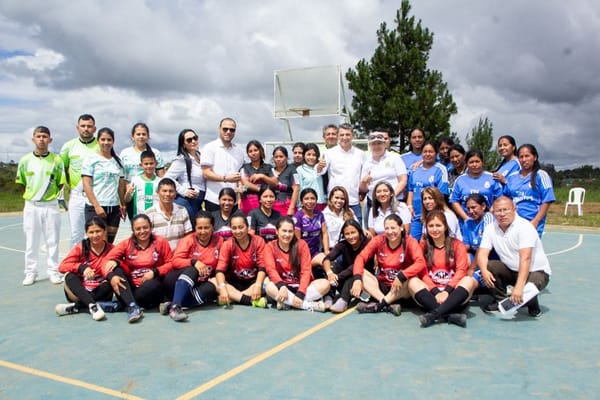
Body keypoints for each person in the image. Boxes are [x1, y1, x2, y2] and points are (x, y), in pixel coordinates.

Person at [476, 196, 551, 317]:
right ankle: (501, 300)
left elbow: (525, 258)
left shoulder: (525, 227)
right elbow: (483, 253)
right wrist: (484, 271)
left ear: (514, 209)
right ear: (493, 212)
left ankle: (532, 305)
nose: (502, 214)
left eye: (506, 210)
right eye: (498, 211)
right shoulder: (490, 228)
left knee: (528, 288)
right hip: (512, 270)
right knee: (489, 266)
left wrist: (519, 287)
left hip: (536, 272)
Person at [408, 210, 477, 328]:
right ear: (426, 228)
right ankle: (450, 316)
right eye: (431, 226)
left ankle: (434, 315)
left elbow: (461, 270)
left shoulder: (457, 245)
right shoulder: (423, 246)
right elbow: (422, 272)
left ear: (445, 227)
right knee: (413, 282)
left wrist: (447, 291)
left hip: (453, 296)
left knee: (469, 280)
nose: (435, 229)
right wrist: (436, 292)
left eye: (438, 225)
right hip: (431, 297)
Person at [16, 125, 66, 285]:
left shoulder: (57, 160)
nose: (42, 139)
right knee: (31, 241)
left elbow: (60, 183)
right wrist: (34, 197)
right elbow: (22, 183)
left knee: (53, 240)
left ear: (50, 140)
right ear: (33, 139)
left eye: (45, 136)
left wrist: (47, 197)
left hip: (50, 205)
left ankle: (53, 271)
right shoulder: (25, 160)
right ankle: (31, 272)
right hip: (31, 206)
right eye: (38, 136)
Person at [103, 214, 174, 322]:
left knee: (152, 284)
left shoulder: (160, 242)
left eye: (145, 227)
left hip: (152, 287)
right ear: (133, 230)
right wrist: (111, 276)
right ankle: (132, 305)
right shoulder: (126, 244)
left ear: (150, 227)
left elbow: (171, 263)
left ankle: (125, 304)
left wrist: (155, 272)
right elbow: (105, 262)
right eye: (138, 229)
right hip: (130, 288)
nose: (142, 231)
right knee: (116, 269)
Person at [351, 214, 426, 315]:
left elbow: (420, 262)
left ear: (401, 227)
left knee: (412, 280)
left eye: (393, 228)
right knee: (361, 273)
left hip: (401, 288)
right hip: (383, 286)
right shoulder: (378, 240)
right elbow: (361, 257)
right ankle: (387, 304)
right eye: (387, 228)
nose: (390, 232)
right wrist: (357, 279)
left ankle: (378, 306)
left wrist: (402, 276)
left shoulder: (410, 242)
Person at [161, 211, 223, 321]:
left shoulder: (219, 241)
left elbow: (222, 262)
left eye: (206, 227)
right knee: (193, 270)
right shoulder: (188, 240)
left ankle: (172, 304)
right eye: (199, 228)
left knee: (211, 288)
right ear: (195, 228)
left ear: (212, 227)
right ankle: (175, 308)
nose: (203, 231)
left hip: (198, 283)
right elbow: (175, 261)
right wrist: (194, 262)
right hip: (176, 281)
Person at [263, 217, 330, 312]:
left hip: (302, 286)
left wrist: (301, 293)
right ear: (277, 231)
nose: (287, 234)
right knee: (268, 285)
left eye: (290, 231)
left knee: (325, 284)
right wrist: (281, 286)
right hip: (283, 288)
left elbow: (306, 271)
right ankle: (308, 305)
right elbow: (271, 269)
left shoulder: (301, 245)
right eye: (284, 231)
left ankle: (287, 303)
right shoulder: (270, 247)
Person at [55, 217, 114, 321]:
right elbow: (62, 266)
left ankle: (77, 307)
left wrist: (115, 262)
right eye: (91, 232)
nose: (95, 235)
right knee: (69, 276)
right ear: (86, 233)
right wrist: (82, 267)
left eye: (98, 231)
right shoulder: (81, 247)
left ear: (104, 231)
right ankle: (92, 304)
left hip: (100, 291)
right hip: (79, 291)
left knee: (112, 281)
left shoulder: (112, 249)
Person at [60, 114, 100, 247]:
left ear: (94, 129)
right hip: (77, 196)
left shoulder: (101, 145)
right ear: (77, 128)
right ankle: (75, 266)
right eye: (83, 126)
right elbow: (63, 168)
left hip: (97, 196)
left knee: (96, 233)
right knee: (76, 233)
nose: (86, 129)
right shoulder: (68, 146)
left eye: (89, 126)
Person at [81, 127, 126, 244]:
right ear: (98, 141)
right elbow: (86, 184)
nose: (106, 143)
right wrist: (96, 206)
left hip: (114, 207)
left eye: (109, 140)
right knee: (98, 241)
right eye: (103, 139)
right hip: (96, 207)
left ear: (113, 141)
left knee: (109, 243)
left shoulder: (118, 161)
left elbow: (121, 185)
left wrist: (122, 204)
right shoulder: (91, 159)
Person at [214, 214, 268, 308]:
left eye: (241, 227)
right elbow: (220, 270)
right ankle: (249, 300)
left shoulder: (258, 241)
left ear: (247, 227)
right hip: (234, 283)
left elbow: (262, 267)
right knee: (214, 281)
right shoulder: (227, 244)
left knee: (268, 281)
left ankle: (233, 298)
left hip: (253, 283)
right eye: (234, 228)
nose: (238, 231)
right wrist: (222, 289)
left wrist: (258, 286)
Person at [503, 144, 555, 237]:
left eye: (527, 156)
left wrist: (536, 221)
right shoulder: (512, 177)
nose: (524, 159)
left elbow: (547, 200)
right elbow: (506, 198)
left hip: (532, 223)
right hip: (514, 224)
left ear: (534, 157)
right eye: (521, 157)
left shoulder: (541, 175)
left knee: (528, 250)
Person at [324, 219, 372, 313]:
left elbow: (356, 266)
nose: (350, 236)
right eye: (347, 234)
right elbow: (327, 259)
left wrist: (338, 277)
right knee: (333, 266)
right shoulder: (343, 244)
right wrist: (330, 273)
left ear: (359, 231)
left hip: (363, 279)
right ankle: (329, 295)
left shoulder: (367, 244)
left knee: (353, 275)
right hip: (344, 278)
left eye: (353, 232)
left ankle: (344, 300)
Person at [120, 122, 165, 220]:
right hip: (131, 194)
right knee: (136, 224)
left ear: (148, 137)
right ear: (133, 137)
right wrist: (123, 200)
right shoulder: (125, 153)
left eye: (144, 134)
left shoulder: (155, 153)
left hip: (151, 193)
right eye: (138, 134)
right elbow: (121, 177)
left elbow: (161, 176)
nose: (141, 137)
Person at [321, 123, 365, 222]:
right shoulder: (329, 153)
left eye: (347, 135)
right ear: (337, 136)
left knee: (356, 233)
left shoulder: (361, 154)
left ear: (353, 135)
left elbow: (364, 177)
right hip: (334, 202)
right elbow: (320, 171)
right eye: (342, 135)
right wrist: (319, 167)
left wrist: (363, 192)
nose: (344, 137)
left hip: (353, 201)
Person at [406, 141, 449, 240]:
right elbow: (410, 190)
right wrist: (409, 206)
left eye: (431, 151)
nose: (427, 154)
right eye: (425, 151)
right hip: (416, 215)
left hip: (432, 215)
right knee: (412, 243)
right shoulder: (415, 170)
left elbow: (442, 194)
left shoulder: (440, 169)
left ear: (436, 153)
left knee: (430, 243)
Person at [201, 118, 245, 212]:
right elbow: (206, 173)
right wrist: (225, 178)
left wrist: (241, 185)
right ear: (219, 129)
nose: (228, 132)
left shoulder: (239, 150)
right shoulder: (209, 148)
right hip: (214, 200)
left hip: (233, 201)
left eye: (232, 130)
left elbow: (240, 174)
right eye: (225, 129)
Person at [165, 129, 205, 226]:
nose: (193, 141)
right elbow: (167, 178)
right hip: (187, 202)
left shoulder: (202, 156)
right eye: (189, 140)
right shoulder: (181, 160)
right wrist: (184, 191)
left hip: (199, 201)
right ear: (183, 144)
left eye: (195, 138)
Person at [450, 150, 503, 224]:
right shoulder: (460, 180)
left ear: (482, 162)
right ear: (466, 163)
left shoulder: (492, 178)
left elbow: (500, 198)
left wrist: (489, 215)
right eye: (471, 162)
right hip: (466, 223)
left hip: (488, 222)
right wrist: (466, 218)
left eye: (477, 161)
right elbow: (454, 201)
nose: (474, 164)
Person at [360, 131, 408, 207]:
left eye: (379, 143)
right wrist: (363, 182)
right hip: (374, 203)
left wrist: (391, 197)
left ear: (384, 144)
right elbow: (364, 189)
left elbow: (403, 180)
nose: (376, 146)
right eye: (373, 144)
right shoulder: (367, 163)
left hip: (394, 200)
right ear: (370, 146)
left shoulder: (394, 158)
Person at [145, 177, 192, 250]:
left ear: (175, 193)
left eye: (171, 191)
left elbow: (188, 236)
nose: (167, 194)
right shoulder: (149, 214)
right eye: (164, 191)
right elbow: (145, 239)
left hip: (178, 256)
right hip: (158, 257)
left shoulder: (182, 211)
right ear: (158, 192)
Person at [462, 193, 496, 287]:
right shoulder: (468, 222)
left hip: (490, 258)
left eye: (473, 207)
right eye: (468, 209)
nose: (470, 211)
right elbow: (466, 245)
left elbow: (483, 248)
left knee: (471, 276)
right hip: (476, 257)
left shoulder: (488, 218)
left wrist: (472, 268)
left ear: (483, 206)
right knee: (464, 257)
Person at [239, 140, 277, 215]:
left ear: (260, 151)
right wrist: (262, 190)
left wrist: (262, 176)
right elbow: (245, 184)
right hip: (248, 202)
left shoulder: (269, 167)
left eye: (255, 150)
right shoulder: (244, 168)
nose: (253, 153)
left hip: (266, 203)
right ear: (248, 154)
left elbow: (275, 183)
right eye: (250, 151)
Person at [293, 188, 329, 268]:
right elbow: (297, 241)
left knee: (328, 262)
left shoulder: (320, 214)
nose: (310, 201)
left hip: (315, 252)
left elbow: (324, 233)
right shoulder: (297, 217)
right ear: (302, 201)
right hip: (302, 254)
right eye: (306, 199)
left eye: (312, 198)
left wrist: (326, 251)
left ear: (316, 200)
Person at [123, 150, 160, 216]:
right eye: (146, 164)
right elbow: (127, 200)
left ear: (156, 164)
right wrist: (128, 193)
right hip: (139, 218)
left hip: (156, 217)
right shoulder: (135, 180)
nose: (149, 166)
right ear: (141, 165)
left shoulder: (160, 181)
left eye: (151, 163)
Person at [296, 143, 327, 210]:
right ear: (304, 155)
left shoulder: (322, 168)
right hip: (307, 205)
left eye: (314, 155)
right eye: (308, 154)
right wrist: (300, 206)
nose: (311, 157)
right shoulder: (299, 170)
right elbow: (299, 189)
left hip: (322, 204)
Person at [271, 146, 299, 216]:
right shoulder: (270, 171)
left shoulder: (293, 170)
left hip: (287, 206)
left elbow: (296, 189)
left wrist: (291, 208)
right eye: (276, 157)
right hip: (272, 207)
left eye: (281, 156)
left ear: (286, 157)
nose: (278, 159)